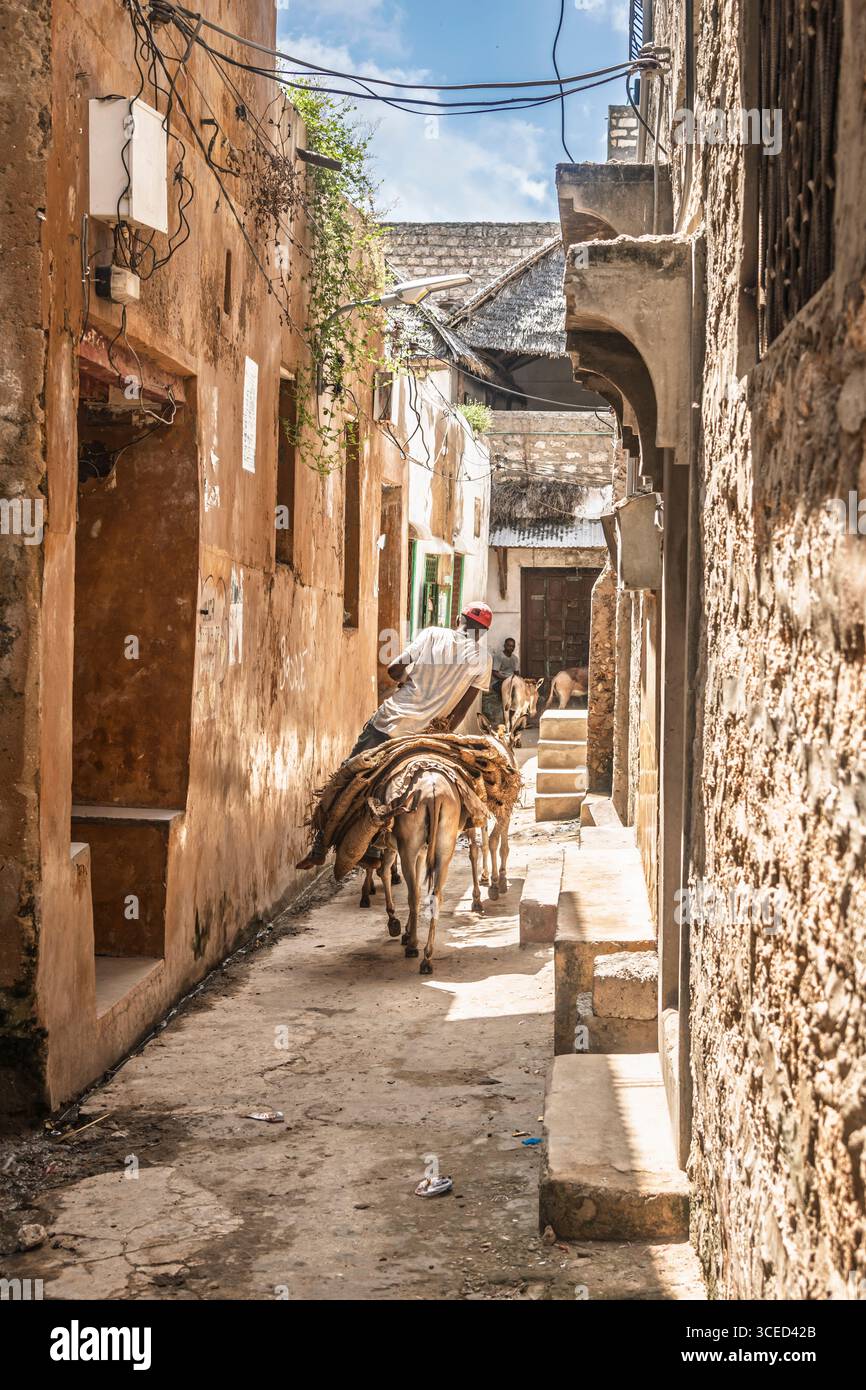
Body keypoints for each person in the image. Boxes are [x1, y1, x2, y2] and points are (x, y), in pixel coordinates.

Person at [297, 601, 494, 869]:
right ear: (482, 633)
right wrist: (440, 734)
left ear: (459, 619)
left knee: (349, 774)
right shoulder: (484, 659)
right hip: (428, 735)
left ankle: (320, 842)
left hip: (391, 722)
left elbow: (394, 669)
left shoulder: (433, 634)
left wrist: (406, 679)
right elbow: (462, 709)